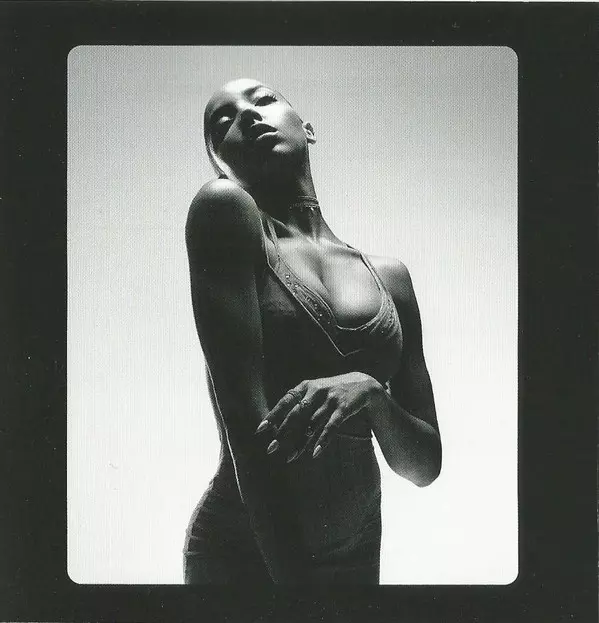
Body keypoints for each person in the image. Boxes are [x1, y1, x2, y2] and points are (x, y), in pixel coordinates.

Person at [183, 78, 441, 585]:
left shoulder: (391, 278)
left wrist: (372, 394)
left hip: (358, 551)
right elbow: (244, 421)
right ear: (219, 164)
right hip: (249, 552)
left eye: (263, 100)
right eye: (223, 121)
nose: (248, 115)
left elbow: (424, 465)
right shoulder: (225, 212)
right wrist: (297, 590)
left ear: (308, 129)